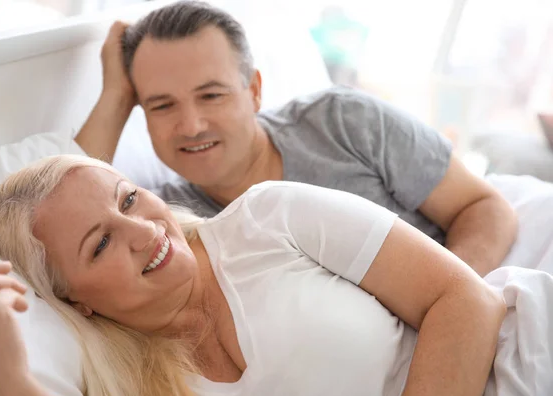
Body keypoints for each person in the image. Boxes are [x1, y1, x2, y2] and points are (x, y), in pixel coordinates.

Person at [0, 154, 511, 396]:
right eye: (100, 244)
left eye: (130, 199)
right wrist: (8, 381)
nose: (145, 233)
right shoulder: (133, 386)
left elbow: (465, 298)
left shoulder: (270, 217)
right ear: (75, 304)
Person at [75, 0, 517, 278]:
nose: (191, 125)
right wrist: (115, 96)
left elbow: (482, 207)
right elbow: (63, 203)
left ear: (254, 91)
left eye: (211, 95)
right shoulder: (171, 222)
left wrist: (451, 299)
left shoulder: (342, 120)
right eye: (162, 105)